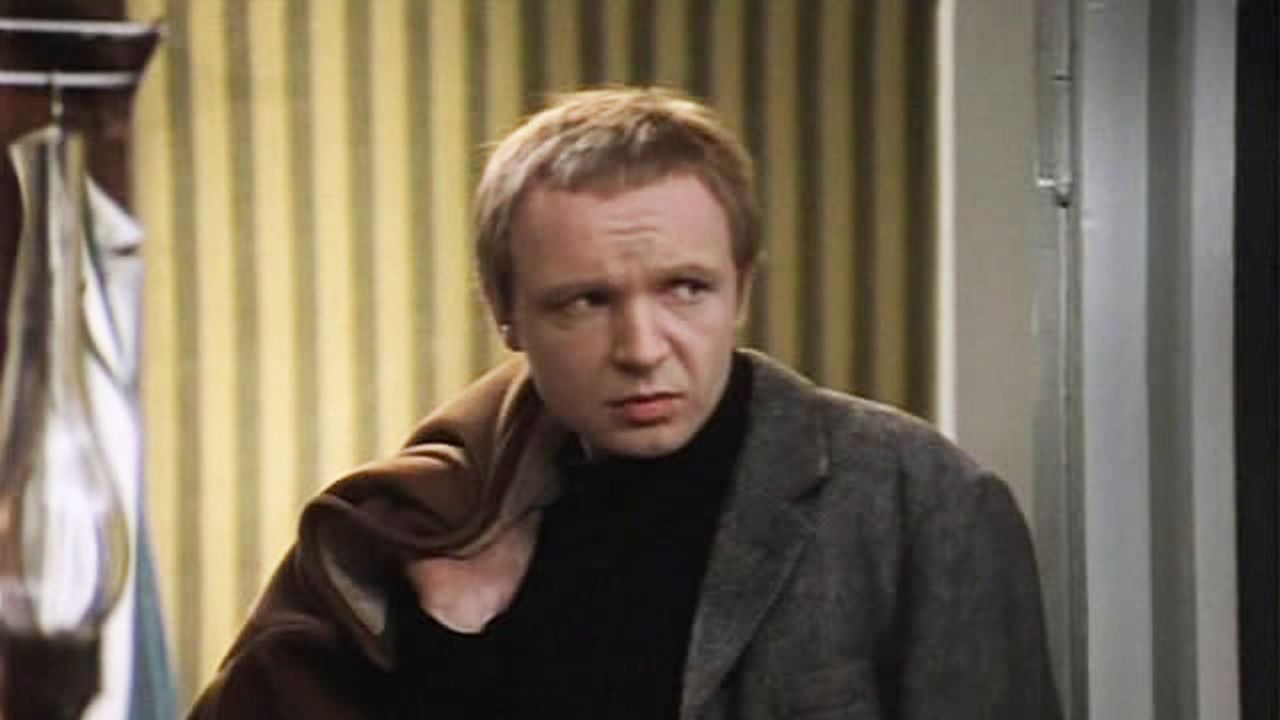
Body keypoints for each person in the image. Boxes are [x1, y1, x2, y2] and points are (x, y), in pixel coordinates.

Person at [189, 87, 1062, 719]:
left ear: (742, 287)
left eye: (685, 289)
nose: (642, 349)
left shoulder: (920, 502)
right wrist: (449, 646)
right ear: (505, 313)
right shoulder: (430, 520)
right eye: (584, 301)